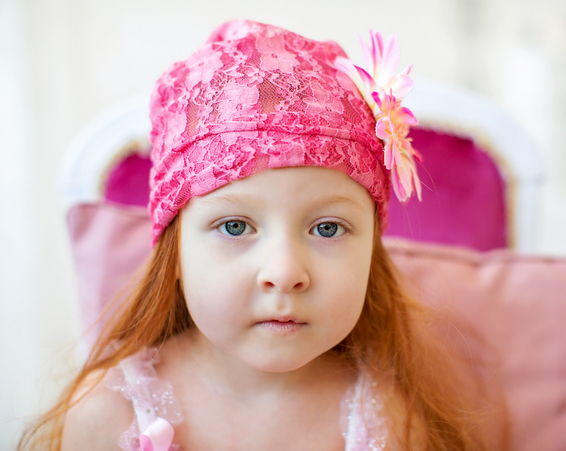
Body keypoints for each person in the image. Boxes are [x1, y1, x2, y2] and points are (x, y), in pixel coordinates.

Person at [19, 20, 505, 451]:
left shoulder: (386, 422)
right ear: (175, 253)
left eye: (328, 228)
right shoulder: (111, 418)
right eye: (235, 226)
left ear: (371, 253)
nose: (285, 272)